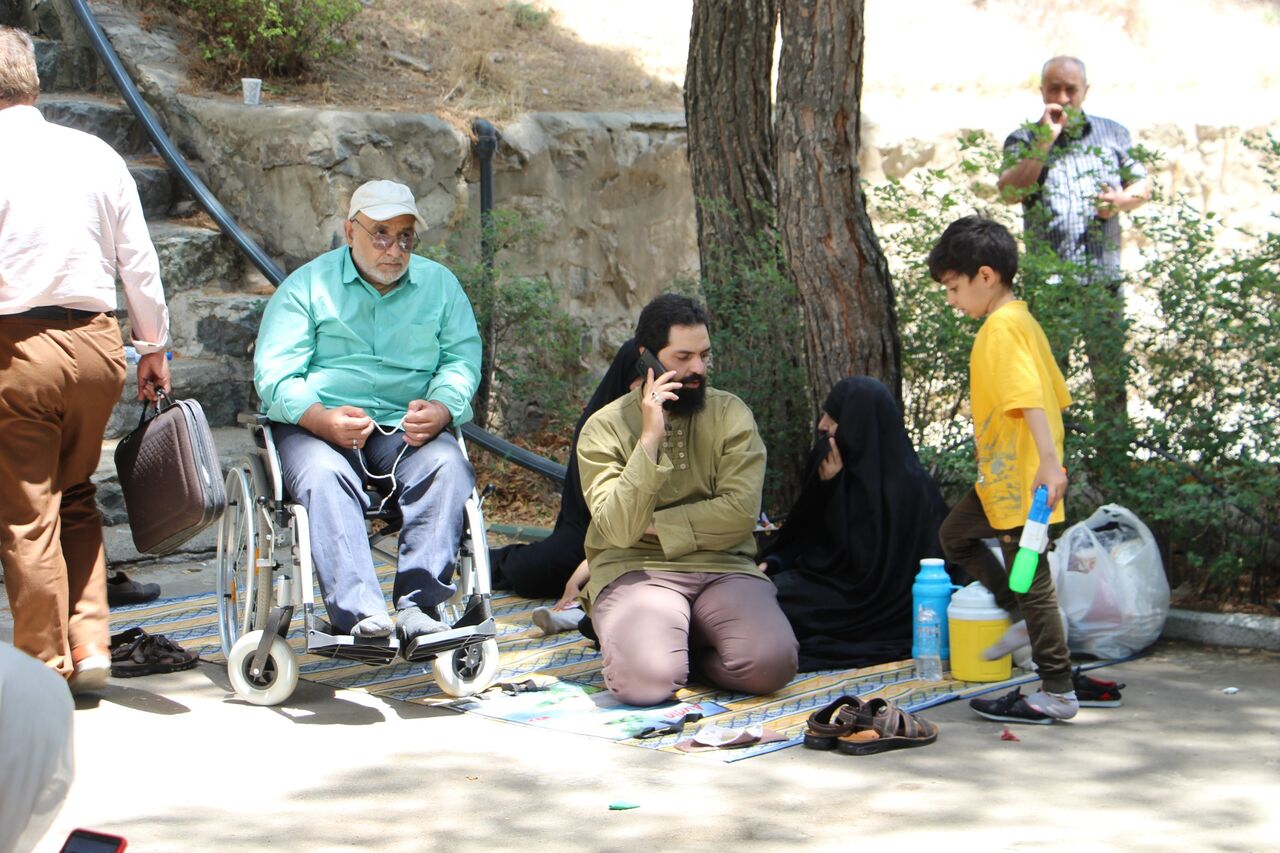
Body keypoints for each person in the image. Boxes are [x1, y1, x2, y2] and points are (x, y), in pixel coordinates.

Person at [0, 26, 171, 693]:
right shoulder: (95, 154)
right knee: (76, 495)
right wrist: (152, 345)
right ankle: (92, 642)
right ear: (35, 83)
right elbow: (140, 261)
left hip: (18, 348)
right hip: (98, 346)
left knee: (28, 509)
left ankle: (43, 666)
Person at [254, 179, 481, 646]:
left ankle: (421, 608)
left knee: (448, 464)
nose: (393, 249)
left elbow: (460, 360)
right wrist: (318, 417)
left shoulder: (440, 286)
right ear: (349, 231)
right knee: (322, 474)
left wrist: (441, 407)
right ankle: (360, 615)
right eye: (380, 233)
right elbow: (274, 374)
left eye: (404, 237)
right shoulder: (308, 286)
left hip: (404, 427)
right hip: (316, 427)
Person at [575, 294, 798, 706]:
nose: (697, 368)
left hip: (723, 565)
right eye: (683, 356)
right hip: (634, 567)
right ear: (647, 358)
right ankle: (661, 650)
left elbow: (739, 513)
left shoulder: (732, 414)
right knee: (645, 684)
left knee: (772, 665)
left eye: (704, 355)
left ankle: (682, 651)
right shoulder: (602, 429)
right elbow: (620, 530)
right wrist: (649, 438)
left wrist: (654, 524)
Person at [927, 215, 1078, 724]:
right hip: (1006, 479)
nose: (951, 300)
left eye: (953, 287)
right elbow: (1057, 395)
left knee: (1031, 579)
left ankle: (1057, 689)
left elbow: (1030, 396)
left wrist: (1049, 466)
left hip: (1024, 482)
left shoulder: (1002, 326)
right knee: (956, 536)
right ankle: (1015, 617)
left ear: (985, 276)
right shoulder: (1024, 321)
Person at [997, 55, 1149, 445]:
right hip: (1051, 285)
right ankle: (1053, 467)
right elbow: (1012, 192)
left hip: (1102, 282)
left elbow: (1143, 186)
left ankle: (1114, 471)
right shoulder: (1024, 138)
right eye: (1054, 88)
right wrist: (1045, 141)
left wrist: (1120, 200)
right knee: (1047, 381)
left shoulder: (1113, 133)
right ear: (1042, 91)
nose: (1063, 97)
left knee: (1111, 380)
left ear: (1085, 91)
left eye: (1071, 89)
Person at [758, 376, 959, 672]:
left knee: (779, 603)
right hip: (839, 589)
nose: (822, 425)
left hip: (880, 604)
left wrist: (837, 492)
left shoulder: (911, 486)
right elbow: (808, 535)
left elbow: (863, 559)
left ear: (858, 422)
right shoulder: (832, 465)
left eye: (833, 418)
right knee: (763, 594)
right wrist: (776, 560)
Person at [490, 339, 641, 599]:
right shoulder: (600, 424)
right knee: (541, 569)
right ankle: (490, 562)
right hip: (592, 532)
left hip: (650, 541)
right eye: (639, 380)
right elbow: (590, 510)